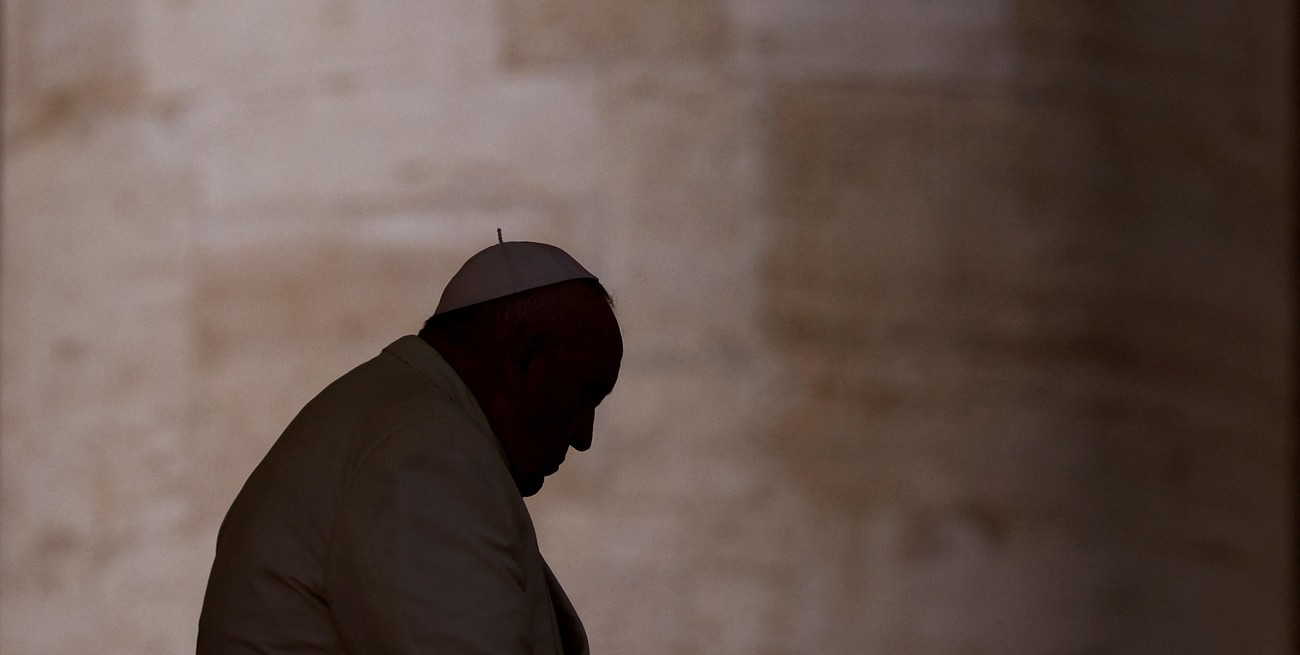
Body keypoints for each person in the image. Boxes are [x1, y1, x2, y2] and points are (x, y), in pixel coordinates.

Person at [197, 240, 622, 654]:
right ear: (524, 360)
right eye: (585, 396)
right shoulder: (428, 453)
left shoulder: (400, 419)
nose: (583, 436)